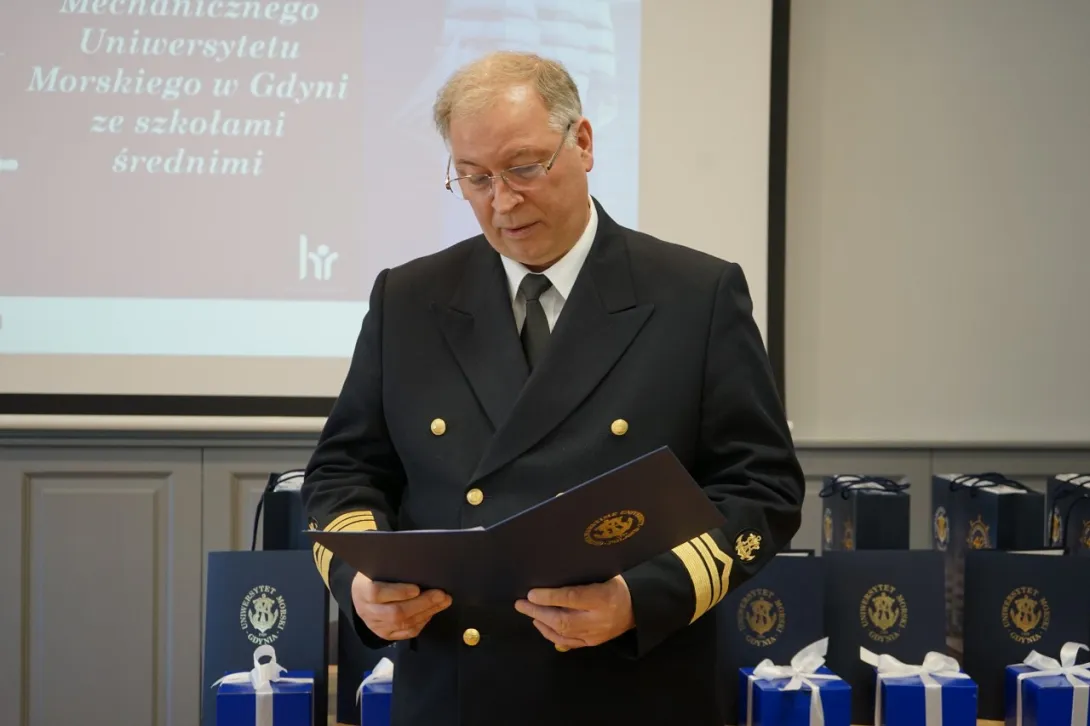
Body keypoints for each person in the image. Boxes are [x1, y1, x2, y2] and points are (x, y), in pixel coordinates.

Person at [302, 50, 805, 726]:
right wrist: (361, 584)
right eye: (475, 177)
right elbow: (344, 471)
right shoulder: (410, 298)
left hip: (633, 690)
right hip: (456, 694)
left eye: (524, 167)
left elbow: (761, 487)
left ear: (583, 143)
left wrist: (641, 597)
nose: (503, 201)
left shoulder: (694, 295)